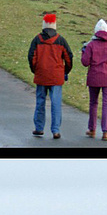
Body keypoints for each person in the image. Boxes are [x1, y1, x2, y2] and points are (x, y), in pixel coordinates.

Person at [28, 11, 73, 139]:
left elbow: (31, 57)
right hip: (56, 77)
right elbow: (69, 58)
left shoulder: (37, 39)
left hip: (41, 75)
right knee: (56, 103)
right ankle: (56, 130)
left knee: (40, 102)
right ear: (54, 25)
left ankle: (39, 128)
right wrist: (65, 71)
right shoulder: (61, 40)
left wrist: (35, 70)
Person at [80, 17, 107, 141]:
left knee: (93, 103)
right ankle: (105, 132)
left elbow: (85, 62)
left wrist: (84, 52)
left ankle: (92, 129)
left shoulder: (91, 45)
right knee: (106, 104)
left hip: (94, 77)